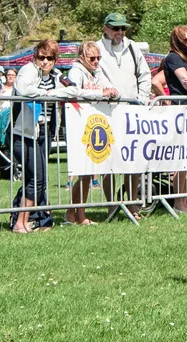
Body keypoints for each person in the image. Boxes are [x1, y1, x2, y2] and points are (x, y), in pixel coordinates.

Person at [10, 40, 113, 233]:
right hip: (24, 133)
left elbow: (73, 90)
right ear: (35, 56)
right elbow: (24, 90)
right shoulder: (27, 70)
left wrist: (101, 93)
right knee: (35, 179)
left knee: (39, 179)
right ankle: (19, 222)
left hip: (45, 132)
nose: (45, 62)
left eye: (50, 58)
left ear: (55, 60)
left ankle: (30, 219)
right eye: (41, 57)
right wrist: (49, 94)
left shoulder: (57, 75)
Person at [96, 13, 151, 210]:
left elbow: (145, 74)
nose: (119, 32)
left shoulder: (133, 47)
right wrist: (107, 91)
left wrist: (142, 97)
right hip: (107, 112)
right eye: (115, 28)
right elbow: (95, 75)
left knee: (133, 160)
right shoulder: (97, 48)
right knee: (108, 162)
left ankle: (132, 203)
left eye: (123, 28)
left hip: (132, 112)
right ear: (105, 28)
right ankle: (112, 205)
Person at [65, 42, 120, 225]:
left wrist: (113, 92)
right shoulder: (75, 72)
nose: (96, 61)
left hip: (93, 124)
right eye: (92, 58)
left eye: (98, 58)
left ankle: (73, 213)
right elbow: (73, 92)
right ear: (82, 57)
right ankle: (78, 214)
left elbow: (110, 88)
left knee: (88, 173)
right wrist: (101, 94)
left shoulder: (97, 72)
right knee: (84, 173)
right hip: (79, 124)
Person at [161, 26, 187, 212]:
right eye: (185, 40)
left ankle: (184, 201)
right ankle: (179, 203)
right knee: (182, 162)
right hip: (180, 112)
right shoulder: (173, 58)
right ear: (177, 40)